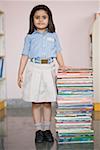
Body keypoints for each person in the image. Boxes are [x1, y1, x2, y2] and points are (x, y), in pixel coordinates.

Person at [17, 4, 66, 143]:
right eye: (37, 17)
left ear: (49, 19)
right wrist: (19, 73)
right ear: (32, 20)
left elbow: (58, 52)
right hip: (34, 68)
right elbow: (25, 55)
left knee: (47, 101)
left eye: (44, 17)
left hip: (49, 68)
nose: (40, 20)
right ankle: (38, 130)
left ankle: (47, 129)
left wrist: (62, 66)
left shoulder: (53, 35)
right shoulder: (30, 37)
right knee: (36, 100)